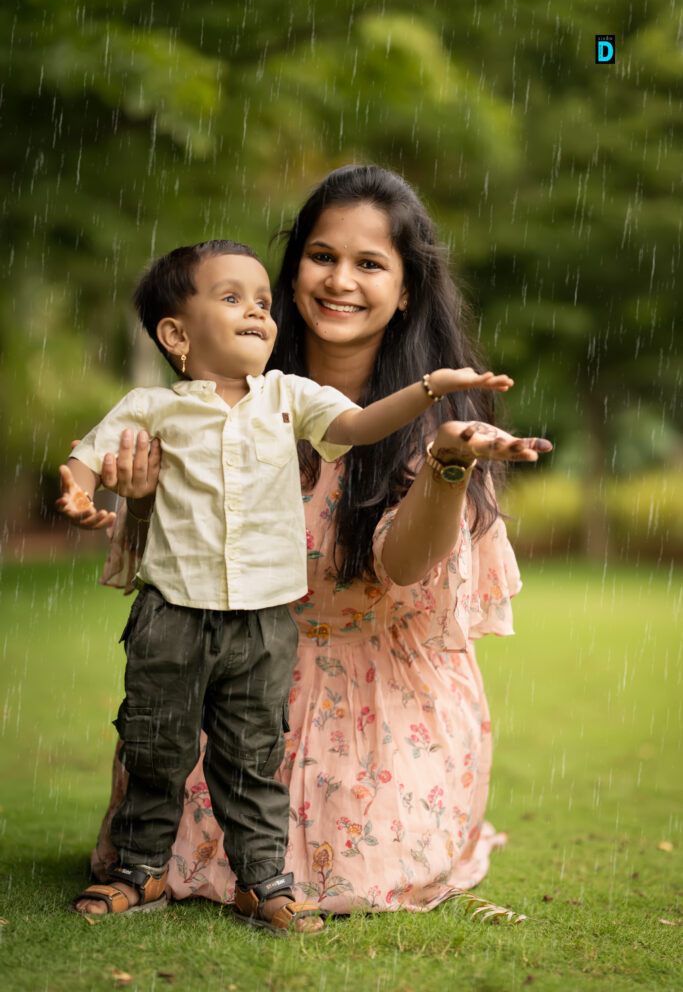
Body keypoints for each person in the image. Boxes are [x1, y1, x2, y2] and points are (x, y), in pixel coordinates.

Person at [89, 165, 551, 913]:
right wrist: (140, 501)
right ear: (293, 267)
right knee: (167, 846)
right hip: (234, 673)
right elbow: (168, 566)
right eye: (322, 256)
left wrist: (445, 463)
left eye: (370, 264)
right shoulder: (225, 394)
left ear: (405, 291)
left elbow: (402, 566)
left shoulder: (438, 412)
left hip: (378, 700)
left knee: (355, 881)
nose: (340, 280)